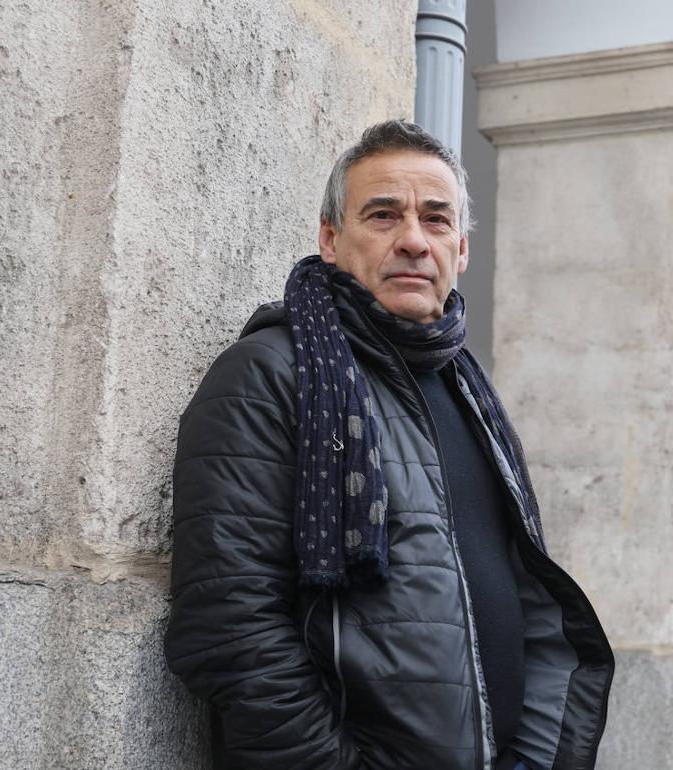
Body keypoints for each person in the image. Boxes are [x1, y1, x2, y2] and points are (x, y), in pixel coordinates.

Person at [164, 120, 615, 769]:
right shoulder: (272, 375)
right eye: (382, 215)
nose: (412, 239)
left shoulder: (469, 392)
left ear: (460, 248)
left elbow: (531, 603)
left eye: (435, 219)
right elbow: (230, 624)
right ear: (330, 239)